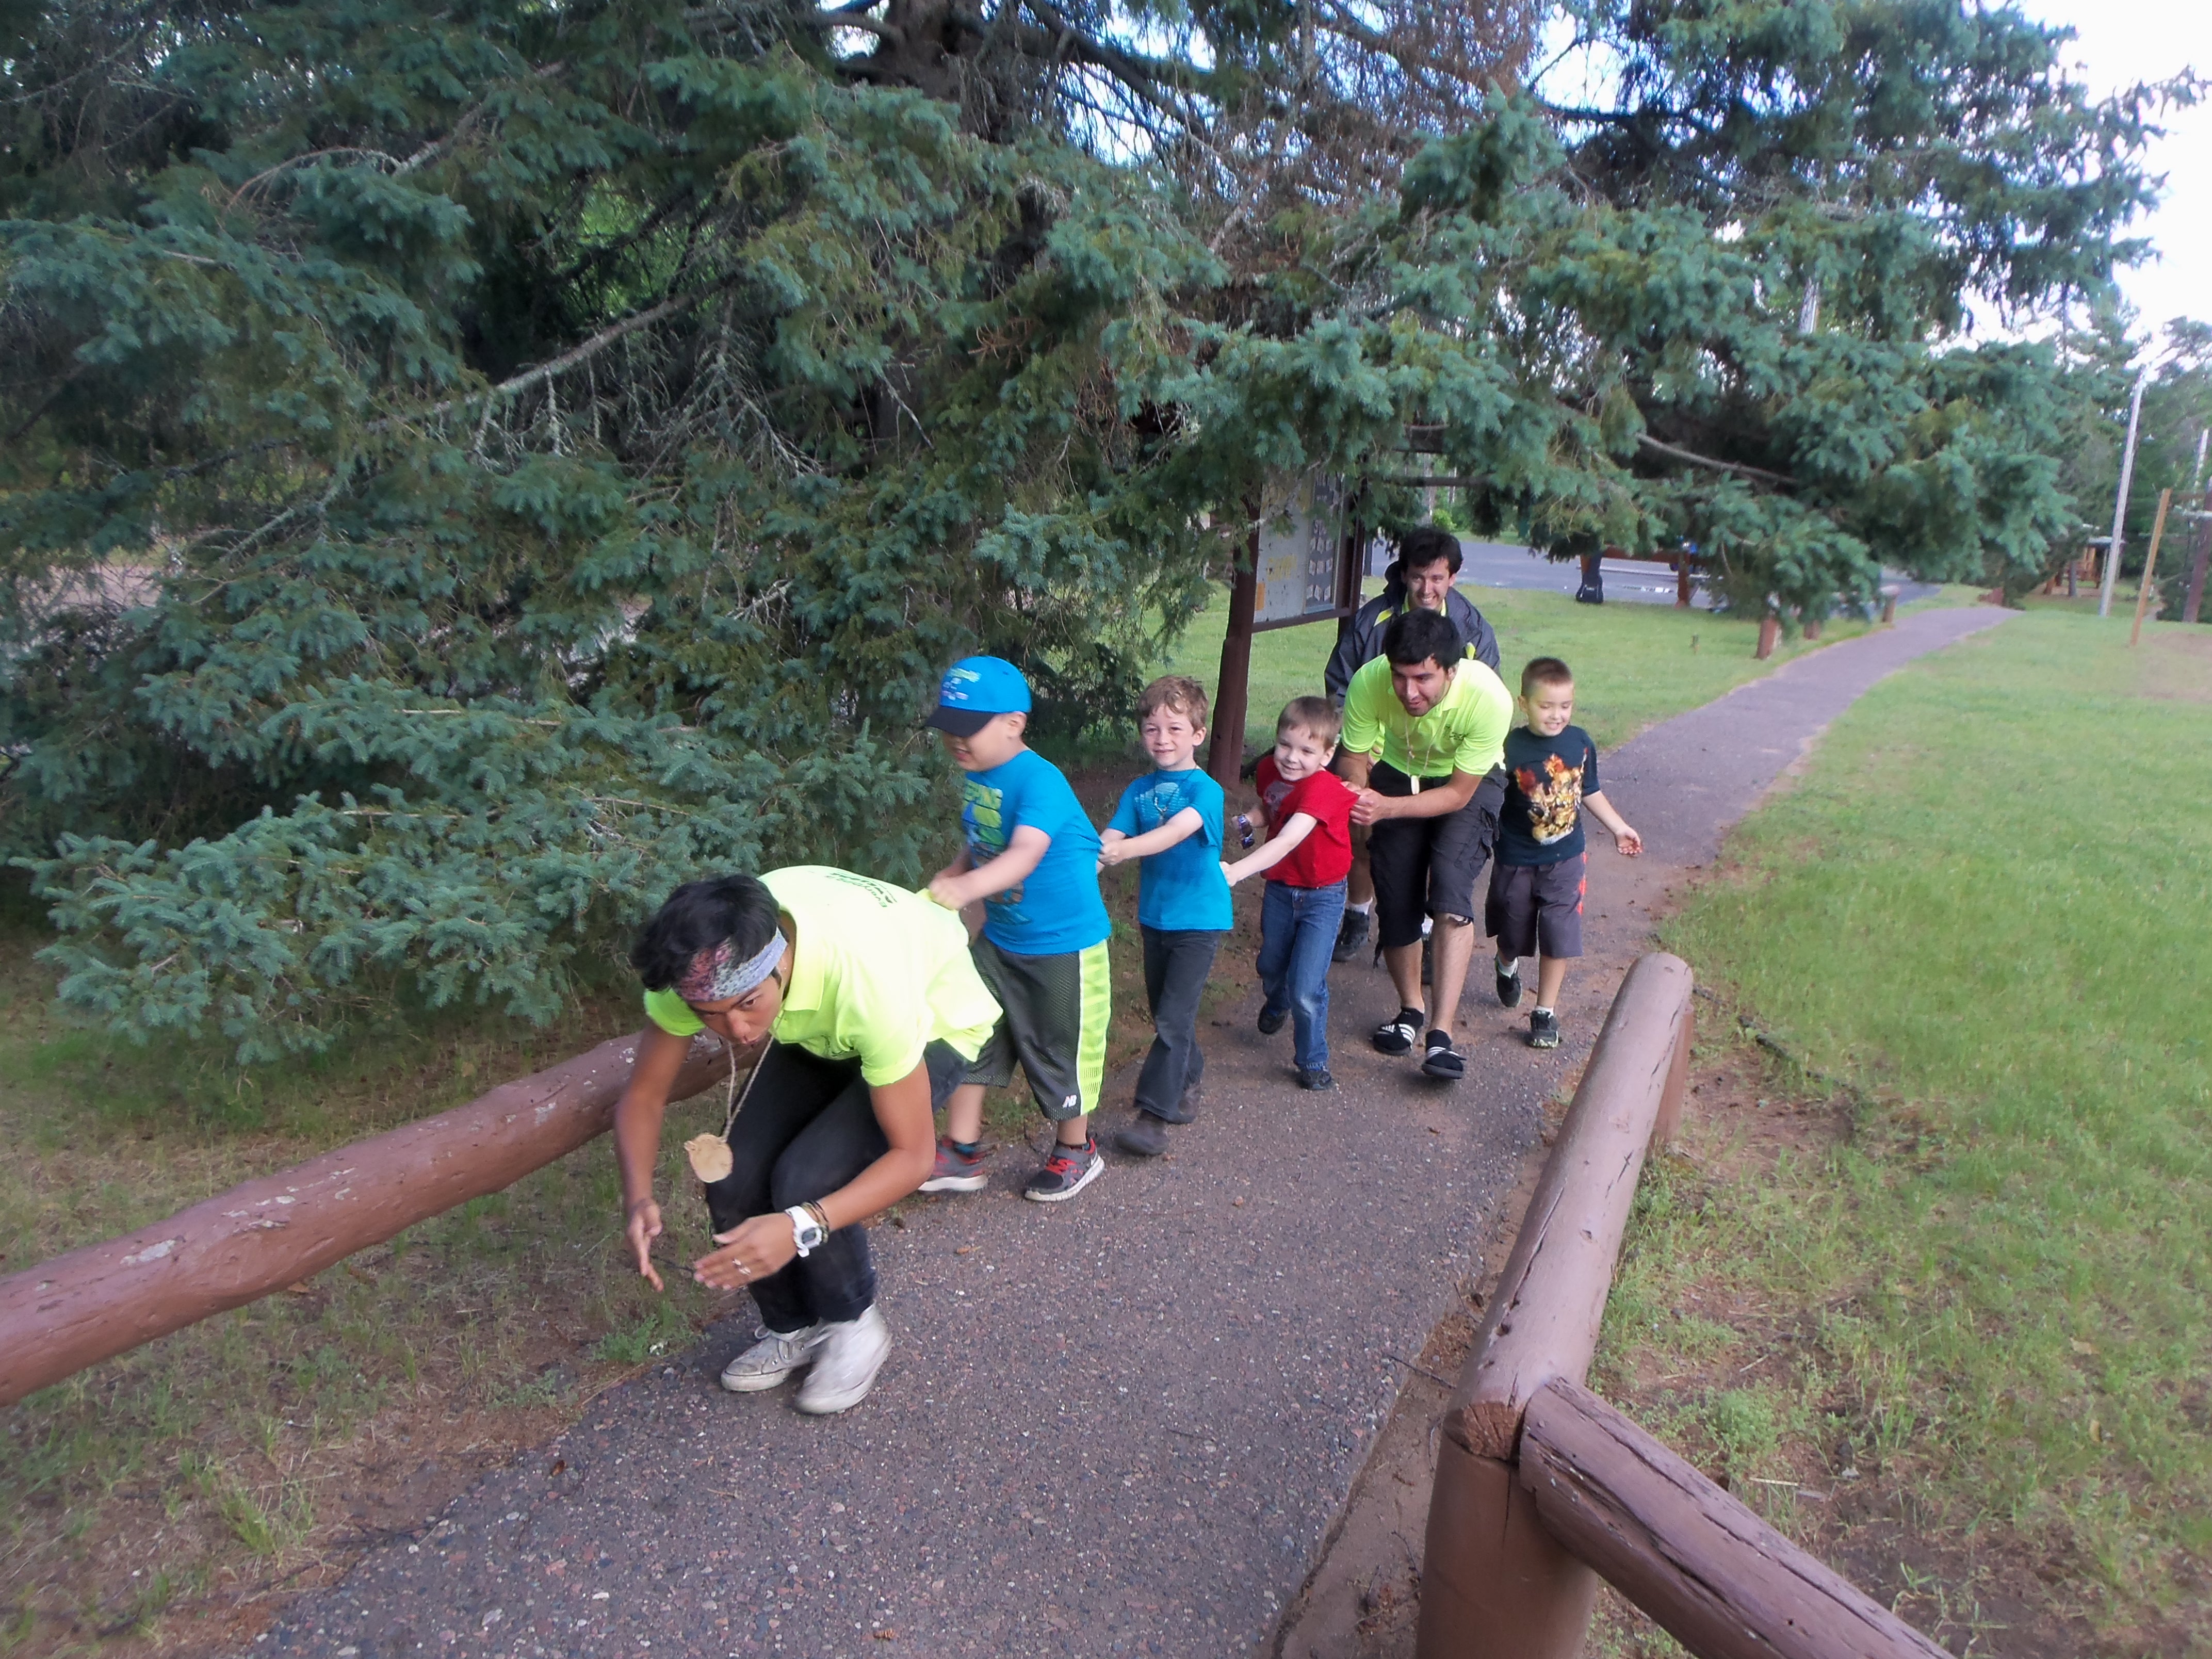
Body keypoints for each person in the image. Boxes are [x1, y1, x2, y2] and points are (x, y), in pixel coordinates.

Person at [615, 867, 1001, 1414]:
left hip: (932, 1021)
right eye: (710, 1018)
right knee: (735, 1177)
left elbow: (913, 1158)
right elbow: (643, 1096)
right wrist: (637, 1197)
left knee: (808, 1181)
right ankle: (793, 1327)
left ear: (782, 962)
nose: (737, 1032)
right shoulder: (699, 970)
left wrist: (801, 1225)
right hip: (822, 1017)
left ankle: (853, 1323)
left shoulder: (868, 986)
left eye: (748, 1004)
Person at [920, 656, 1112, 1202]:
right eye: (949, 727)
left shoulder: (1039, 780)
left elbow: (1025, 853)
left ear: (1013, 723)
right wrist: (957, 870)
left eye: (968, 727)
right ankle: (961, 1151)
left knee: (1059, 1047)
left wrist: (967, 889)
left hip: (1062, 947)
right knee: (970, 1029)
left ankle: (1076, 1148)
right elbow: (985, 840)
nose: (956, 740)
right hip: (1001, 940)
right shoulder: (979, 776)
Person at [1339, 609, 1514, 1082]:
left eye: (1423, 679)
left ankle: (1441, 1034)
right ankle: (1410, 1011)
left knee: (1450, 892)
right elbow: (1354, 756)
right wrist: (1358, 790)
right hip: (1400, 771)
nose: (1409, 691)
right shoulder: (1369, 681)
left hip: (1468, 782)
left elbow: (1457, 796)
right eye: (1400, 676)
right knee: (1396, 895)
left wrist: (1386, 808)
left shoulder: (1488, 698)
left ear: (1450, 672)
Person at [1323, 525, 1501, 963]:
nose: (1427, 588)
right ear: (1404, 574)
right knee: (1361, 827)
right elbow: (1342, 685)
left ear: (1453, 578)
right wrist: (1361, 764)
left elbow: (1482, 694)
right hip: (1376, 747)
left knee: (1439, 845)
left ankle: (1423, 928)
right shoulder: (1372, 621)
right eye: (1418, 577)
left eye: (1437, 578)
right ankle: (1358, 911)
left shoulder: (1472, 628)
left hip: (1447, 756)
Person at [1098, 676, 1233, 1158]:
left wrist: (1123, 852)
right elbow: (1110, 837)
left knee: (1173, 1018)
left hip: (1199, 919)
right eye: (1152, 729)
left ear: (1198, 734)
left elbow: (1176, 832)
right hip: (1155, 918)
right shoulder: (1139, 790)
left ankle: (1153, 1117)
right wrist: (1086, 864)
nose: (1162, 739)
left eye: (1175, 729)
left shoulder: (1206, 791)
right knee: (1166, 1013)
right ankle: (1190, 1075)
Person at [1489, 657, 1642, 1048]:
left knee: (1558, 932)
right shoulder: (1509, 746)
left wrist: (1619, 827)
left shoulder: (1580, 743)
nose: (1556, 715)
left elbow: (1589, 790)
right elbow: (1487, 794)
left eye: (1565, 706)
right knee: (1512, 930)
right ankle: (1506, 964)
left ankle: (1545, 1012)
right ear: (1524, 704)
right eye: (1546, 706)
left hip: (1566, 858)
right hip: (1516, 856)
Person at [1224, 697, 1359, 1091]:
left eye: (1306, 751)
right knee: (1270, 963)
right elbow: (1273, 806)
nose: (1291, 758)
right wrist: (1248, 821)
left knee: (1306, 986)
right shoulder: (1270, 769)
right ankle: (1277, 999)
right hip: (1282, 888)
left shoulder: (1324, 789)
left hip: (1323, 895)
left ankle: (1312, 1059)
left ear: (1328, 755)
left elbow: (1286, 839)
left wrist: (1237, 872)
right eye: (1285, 744)